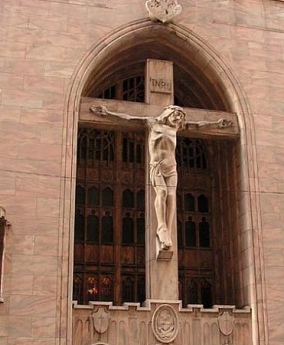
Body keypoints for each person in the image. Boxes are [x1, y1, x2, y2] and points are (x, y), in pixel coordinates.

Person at [90, 104, 231, 251]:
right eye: (177, 115)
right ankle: (161, 226)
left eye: (181, 117)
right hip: (157, 166)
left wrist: (217, 124)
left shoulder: (176, 128)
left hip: (171, 167)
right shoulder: (152, 123)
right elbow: (129, 119)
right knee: (162, 192)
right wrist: (107, 114)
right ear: (168, 113)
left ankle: (167, 231)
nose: (178, 119)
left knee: (171, 196)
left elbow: (198, 126)